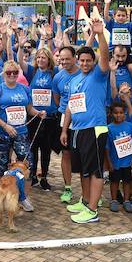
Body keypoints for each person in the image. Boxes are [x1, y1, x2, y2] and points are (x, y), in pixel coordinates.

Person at [60, 18, 110, 224]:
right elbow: (71, 107)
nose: (85, 63)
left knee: (96, 170)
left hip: (94, 129)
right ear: (77, 62)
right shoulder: (74, 81)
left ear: (93, 62)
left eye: (89, 60)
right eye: (82, 60)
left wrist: (99, 35)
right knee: (83, 170)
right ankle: (84, 200)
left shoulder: (99, 75)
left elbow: (105, 57)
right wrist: (65, 130)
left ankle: (92, 211)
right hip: (77, 130)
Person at [0, 60, 41, 211]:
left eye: (15, 72)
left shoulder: (24, 89)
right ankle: (2, 196)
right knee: (2, 165)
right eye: (9, 72)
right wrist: (5, 126)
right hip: (1, 132)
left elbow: (29, 108)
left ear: (18, 74)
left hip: (21, 132)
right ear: (3, 74)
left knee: (27, 163)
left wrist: (38, 113)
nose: (12, 75)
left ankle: (23, 198)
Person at [23, 47, 59, 191]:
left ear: (49, 59)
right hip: (34, 116)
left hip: (49, 117)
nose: (40, 60)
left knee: (46, 149)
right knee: (33, 147)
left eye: (43, 57)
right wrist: (20, 46)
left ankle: (44, 176)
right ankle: (32, 175)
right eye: (38, 57)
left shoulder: (54, 72)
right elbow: (20, 62)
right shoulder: (32, 71)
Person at [52, 46, 79, 203]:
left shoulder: (83, 73)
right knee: (66, 153)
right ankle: (68, 188)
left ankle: (87, 191)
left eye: (67, 59)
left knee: (83, 154)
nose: (64, 62)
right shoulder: (58, 76)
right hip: (63, 117)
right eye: (61, 59)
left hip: (81, 117)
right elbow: (57, 98)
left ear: (74, 58)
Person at [105, 102, 132, 213]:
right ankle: (114, 200)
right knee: (114, 181)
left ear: (125, 113)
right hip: (115, 161)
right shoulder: (109, 128)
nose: (118, 115)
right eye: (116, 113)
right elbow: (107, 148)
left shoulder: (130, 126)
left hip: (127, 162)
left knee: (127, 181)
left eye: (121, 113)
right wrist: (109, 163)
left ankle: (126, 201)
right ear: (111, 114)